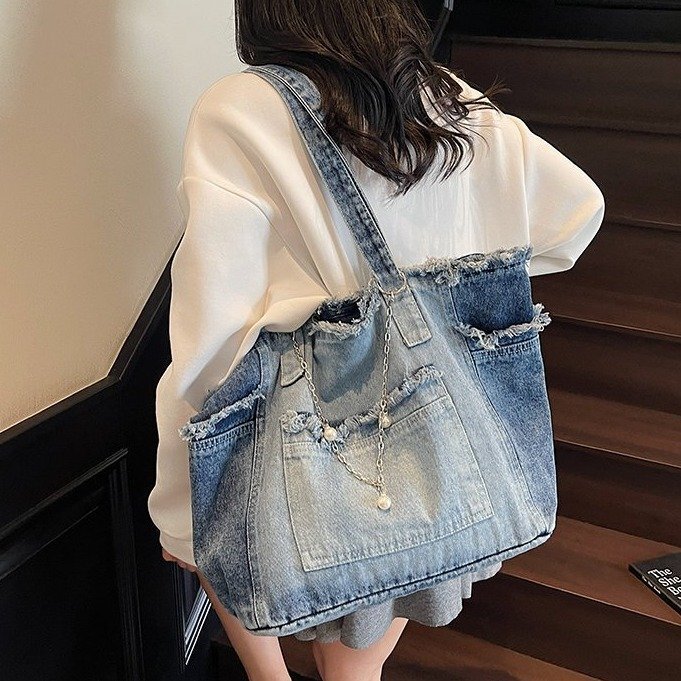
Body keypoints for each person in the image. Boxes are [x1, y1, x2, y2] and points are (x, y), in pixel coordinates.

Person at [148, 2, 606, 680]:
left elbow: (213, 339)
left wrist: (176, 504)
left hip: (306, 435)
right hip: (435, 447)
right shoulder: (449, 101)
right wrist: (450, 279)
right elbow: (576, 214)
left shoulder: (241, 110)